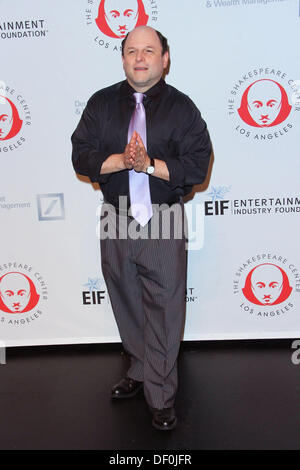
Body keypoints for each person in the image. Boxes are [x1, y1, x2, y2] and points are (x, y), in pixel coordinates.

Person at [71, 25, 212, 431]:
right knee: (126, 301)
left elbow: (198, 166)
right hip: (115, 216)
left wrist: (148, 165)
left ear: (164, 58)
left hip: (163, 218)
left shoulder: (182, 109)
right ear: (123, 58)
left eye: (149, 50)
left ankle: (162, 395)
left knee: (165, 310)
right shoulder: (100, 104)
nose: (140, 57)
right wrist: (120, 160)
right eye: (132, 50)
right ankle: (139, 367)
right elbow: (81, 156)